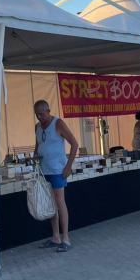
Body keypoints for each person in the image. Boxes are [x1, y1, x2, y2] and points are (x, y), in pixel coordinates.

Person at [33, 100, 79, 252]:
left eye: (42, 114)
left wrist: (68, 166)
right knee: (51, 204)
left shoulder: (58, 123)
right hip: (44, 170)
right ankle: (55, 236)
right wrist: (35, 159)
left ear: (48, 110)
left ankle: (66, 238)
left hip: (58, 170)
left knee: (60, 202)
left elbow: (74, 144)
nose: (40, 117)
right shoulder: (38, 127)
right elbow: (38, 145)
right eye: (37, 114)